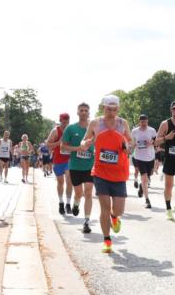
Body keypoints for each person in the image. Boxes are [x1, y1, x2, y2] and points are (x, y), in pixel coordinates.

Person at [79, 95, 133, 254]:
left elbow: (130, 141)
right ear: (104, 108)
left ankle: (114, 217)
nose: (111, 112)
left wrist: (128, 146)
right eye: (109, 109)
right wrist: (85, 144)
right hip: (101, 171)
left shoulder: (123, 124)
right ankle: (107, 240)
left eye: (114, 109)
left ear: (118, 109)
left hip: (119, 171)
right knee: (104, 207)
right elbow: (83, 141)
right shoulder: (95, 123)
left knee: (119, 210)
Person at [62, 103, 95, 233]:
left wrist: (96, 151)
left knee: (88, 192)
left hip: (90, 166)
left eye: (86, 110)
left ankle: (86, 222)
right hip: (75, 166)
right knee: (79, 193)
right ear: (77, 112)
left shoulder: (94, 129)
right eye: (81, 110)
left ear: (88, 113)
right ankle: (75, 204)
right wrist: (78, 148)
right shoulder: (71, 128)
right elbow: (62, 147)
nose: (83, 112)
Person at [45, 113, 74, 215]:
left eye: (67, 120)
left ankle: (68, 204)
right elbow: (48, 145)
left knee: (69, 180)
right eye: (63, 120)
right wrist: (59, 142)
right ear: (60, 120)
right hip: (58, 159)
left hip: (69, 159)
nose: (65, 122)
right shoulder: (55, 131)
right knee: (60, 182)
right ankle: (61, 202)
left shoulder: (72, 130)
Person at [131, 113, 157, 207]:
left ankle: (142, 186)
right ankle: (147, 200)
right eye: (142, 121)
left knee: (149, 176)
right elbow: (132, 142)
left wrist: (151, 142)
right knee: (145, 178)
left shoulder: (152, 130)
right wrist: (133, 146)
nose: (143, 123)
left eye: (145, 121)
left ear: (147, 121)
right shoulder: (134, 131)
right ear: (139, 122)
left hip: (150, 157)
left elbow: (156, 140)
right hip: (139, 157)